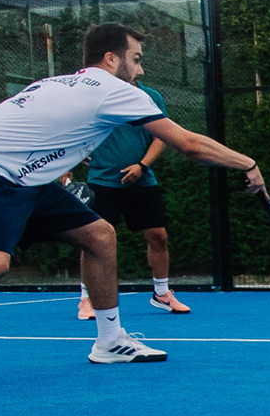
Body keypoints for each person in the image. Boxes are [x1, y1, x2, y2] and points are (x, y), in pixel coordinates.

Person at [0, 23, 262, 395]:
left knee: (99, 236)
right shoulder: (115, 90)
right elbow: (188, 144)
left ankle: (110, 342)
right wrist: (248, 163)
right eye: (136, 60)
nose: (141, 70)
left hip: (21, 177)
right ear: (111, 59)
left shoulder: (59, 83)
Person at [74, 78, 188, 318]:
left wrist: (142, 166)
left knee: (158, 236)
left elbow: (162, 136)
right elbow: (77, 128)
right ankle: (87, 298)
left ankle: (161, 293)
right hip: (102, 181)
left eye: (139, 61)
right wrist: (76, 152)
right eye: (135, 61)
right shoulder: (97, 95)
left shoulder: (151, 96)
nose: (139, 68)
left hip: (143, 180)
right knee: (93, 240)